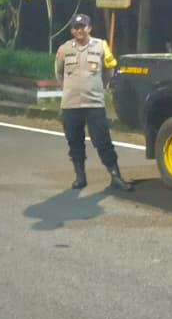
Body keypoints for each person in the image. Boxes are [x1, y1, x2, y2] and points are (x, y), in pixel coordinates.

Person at [54, 14, 132, 192]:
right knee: (74, 142)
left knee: (103, 141)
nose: (79, 30)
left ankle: (115, 176)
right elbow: (59, 73)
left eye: (82, 27)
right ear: (72, 30)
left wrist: (100, 86)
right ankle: (80, 177)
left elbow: (109, 69)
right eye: (76, 27)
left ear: (89, 28)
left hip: (94, 103)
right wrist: (70, 89)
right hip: (71, 104)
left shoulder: (100, 46)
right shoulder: (64, 49)